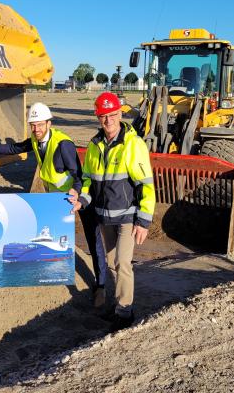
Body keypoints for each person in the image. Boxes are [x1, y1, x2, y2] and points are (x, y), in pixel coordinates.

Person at [0, 102, 107, 299]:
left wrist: (77, 194)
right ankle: (53, 281)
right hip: (57, 200)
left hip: (80, 196)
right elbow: (14, 147)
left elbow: (79, 175)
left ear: (49, 123)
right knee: (54, 238)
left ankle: (100, 285)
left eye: (40, 124)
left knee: (93, 240)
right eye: (33, 125)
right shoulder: (35, 139)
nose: (36, 129)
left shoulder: (63, 144)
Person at [71, 92, 155, 331]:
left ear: (120, 113)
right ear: (98, 118)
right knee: (109, 261)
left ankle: (125, 312)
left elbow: (145, 184)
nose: (108, 120)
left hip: (128, 216)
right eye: (103, 116)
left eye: (112, 115)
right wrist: (82, 201)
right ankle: (116, 304)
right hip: (104, 216)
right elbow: (88, 180)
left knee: (122, 261)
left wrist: (144, 221)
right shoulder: (95, 145)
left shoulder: (133, 144)